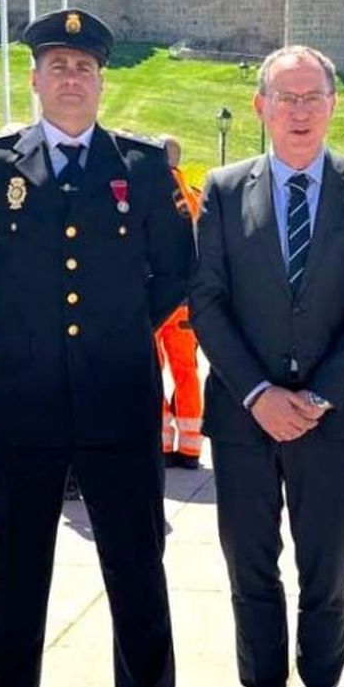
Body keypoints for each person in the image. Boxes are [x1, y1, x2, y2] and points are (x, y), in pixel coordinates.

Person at [0, 8, 199, 687]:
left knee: (137, 564)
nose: (71, 79)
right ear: (35, 78)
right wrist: (26, 330)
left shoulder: (144, 168)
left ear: (101, 78)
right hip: (22, 399)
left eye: (84, 66)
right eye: (57, 66)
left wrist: (119, 330)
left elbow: (175, 270)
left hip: (120, 396)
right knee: (15, 568)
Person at [190, 45, 344, 687]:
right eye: (287, 97)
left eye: (314, 97)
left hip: (332, 421)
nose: (301, 112)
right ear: (261, 107)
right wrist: (257, 394)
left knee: (325, 574)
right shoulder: (221, 188)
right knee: (250, 566)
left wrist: (314, 398)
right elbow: (206, 300)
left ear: (333, 105)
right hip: (244, 417)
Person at [158, 135, 205, 470]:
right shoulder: (196, 196)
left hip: (156, 299)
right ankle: (191, 447)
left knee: (151, 371)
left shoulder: (151, 193)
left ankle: (160, 440)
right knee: (187, 372)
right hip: (189, 301)